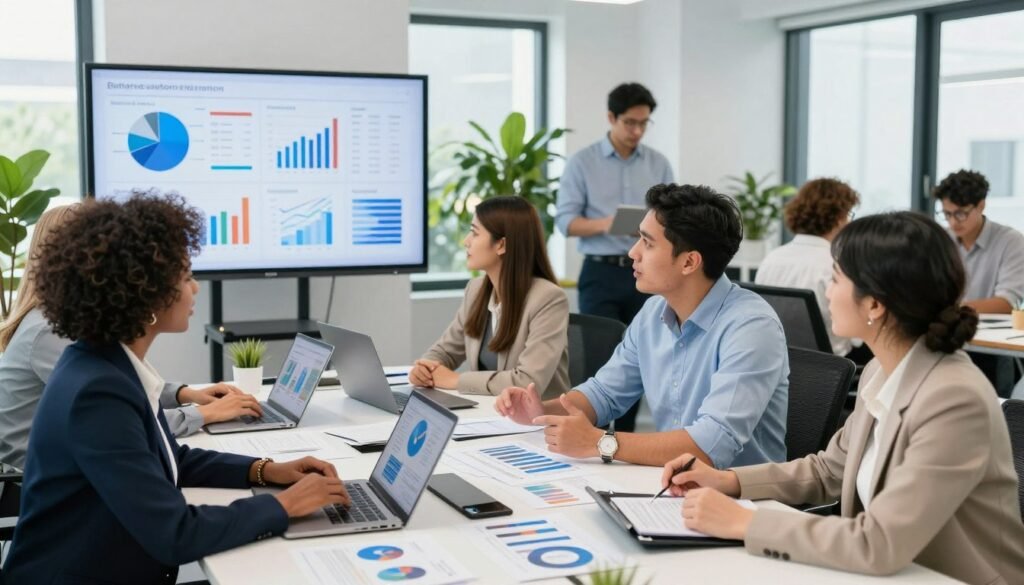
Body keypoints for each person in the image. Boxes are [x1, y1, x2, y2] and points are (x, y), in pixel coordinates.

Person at [1, 194, 351, 584]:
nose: (196, 289)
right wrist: (284, 506)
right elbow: (175, 534)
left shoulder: (104, 364)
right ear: (146, 295)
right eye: (185, 277)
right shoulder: (97, 392)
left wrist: (266, 471)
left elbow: (169, 458)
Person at [661, 211, 1024, 585]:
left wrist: (744, 521)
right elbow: (828, 470)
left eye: (835, 278)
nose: (828, 291)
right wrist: (728, 480)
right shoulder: (881, 372)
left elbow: (880, 542)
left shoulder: (953, 399)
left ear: (875, 304)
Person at [497, 184, 789, 468]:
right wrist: (541, 412)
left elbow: (712, 444)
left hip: (742, 501)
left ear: (689, 262)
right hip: (670, 486)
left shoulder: (751, 327)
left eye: (648, 243)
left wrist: (600, 442)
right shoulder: (653, 313)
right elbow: (604, 393)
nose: (632, 253)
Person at [0, 205, 264, 472]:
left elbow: (128, 395)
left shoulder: (66, 321)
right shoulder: (51, 331)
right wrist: (206, 414)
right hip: (41, 475)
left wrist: (184, 394)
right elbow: (122, 423)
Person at [555, 82, 675, 431]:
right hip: (601, 272)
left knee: (645, 359)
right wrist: (607, 225)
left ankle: (624, 439)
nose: (637, 131)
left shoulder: (658, 163)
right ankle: (588, 436)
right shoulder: (583, 162)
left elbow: (675, 216)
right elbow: (565, 222)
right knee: (602, 357)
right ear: (611, 117)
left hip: (649, 272)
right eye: (630, 122)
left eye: (644, 123)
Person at [410, 196, 569, 399]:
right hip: (489, 415)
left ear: (501, 245)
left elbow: (527, 382)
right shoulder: (476, 290)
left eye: (474, 233)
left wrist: (456, 381)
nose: (466, 241)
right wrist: (425, 368)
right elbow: (445, 352)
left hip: (537, 422)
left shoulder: (548, 299)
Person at [755, 177, 867, 360]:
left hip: (781, 361)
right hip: (834, 364)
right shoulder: (838, 265)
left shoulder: (771, 260)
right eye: (848, 215)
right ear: (839, 218)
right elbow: (856, 336)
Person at [935, 169, 1024, 314]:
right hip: (946, 328)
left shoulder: (1011, 241)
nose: (953, 222)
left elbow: (1007, 303)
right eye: (947, 214)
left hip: (993, 331)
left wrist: (952, 310)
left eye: (960, 213)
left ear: (981, 206)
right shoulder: (942, 240)